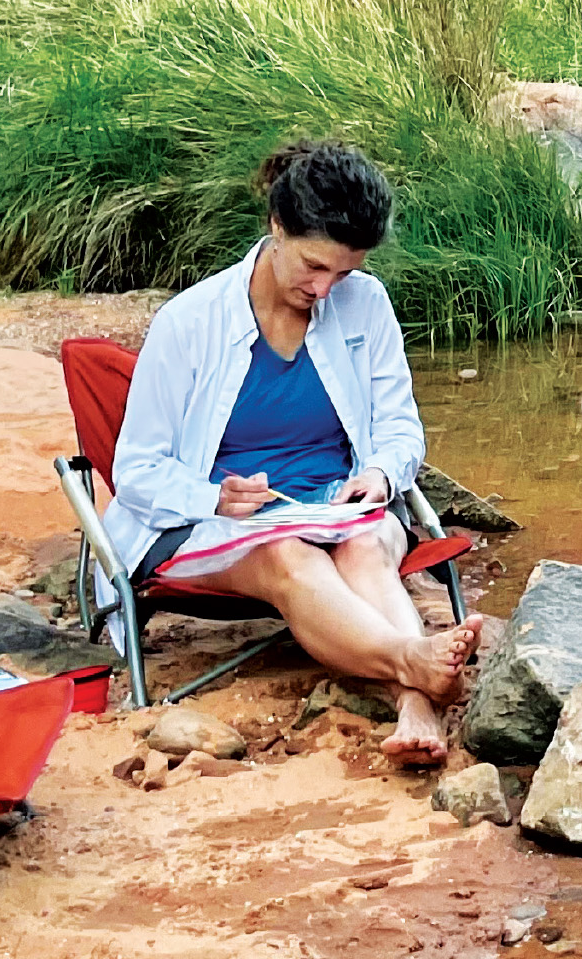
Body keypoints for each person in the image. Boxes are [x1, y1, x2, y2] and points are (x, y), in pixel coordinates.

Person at [107, 139, 480, 766]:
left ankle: (414, 707)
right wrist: (213, 496)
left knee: (365, 545)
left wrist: (381, 474)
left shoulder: (368, 305)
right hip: (218, 524)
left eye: (345, 272)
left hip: (338, 507)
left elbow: (399, 427)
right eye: (314, 265)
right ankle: (411, 663)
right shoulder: (189, 322)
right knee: (288, 554)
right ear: (277, 226)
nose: (326, 287)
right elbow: (135, 470)